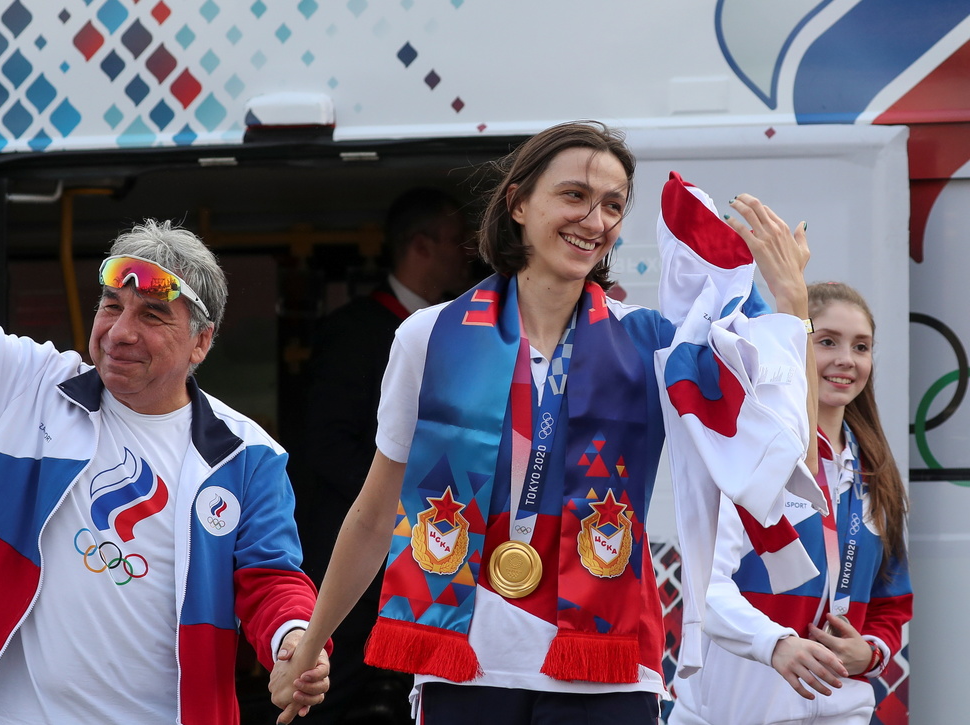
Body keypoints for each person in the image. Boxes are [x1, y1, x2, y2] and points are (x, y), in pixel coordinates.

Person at [274, 120, 818, 724]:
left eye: (612, 205)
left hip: (608, 670)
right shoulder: (428, 338)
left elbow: (783, 452)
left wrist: (792, 307)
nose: (594, 219)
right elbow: (375, 515)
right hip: (467, 664)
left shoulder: (653, 345)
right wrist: (313, 643)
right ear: (518, 203)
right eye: (574, 195)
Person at [0, 106, 329, 725]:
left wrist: (294, 639)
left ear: (201, 342)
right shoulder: (31, 389)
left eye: (152, 315)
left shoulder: (246, 456)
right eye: (112, 305)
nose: (119, 332)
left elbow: (270, 578)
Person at [669, 282, 912, 725]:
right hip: (736, 714)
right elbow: (707, 588)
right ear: (793, 347)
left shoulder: (875, 472)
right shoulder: (752, 456)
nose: (846, 359)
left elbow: (891, 601)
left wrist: (870, 653)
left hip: (844, 710)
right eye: (827, 342)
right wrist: (773, 643)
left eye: (861, 346)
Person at [298, 187, 470, 724]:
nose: (468, 251)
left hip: (434, 552)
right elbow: (325, 443)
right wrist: (402, 503)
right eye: (456, 240)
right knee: (339, 694)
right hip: (360, 555)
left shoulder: (466, 334)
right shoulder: (353, 332)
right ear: (420, 246)